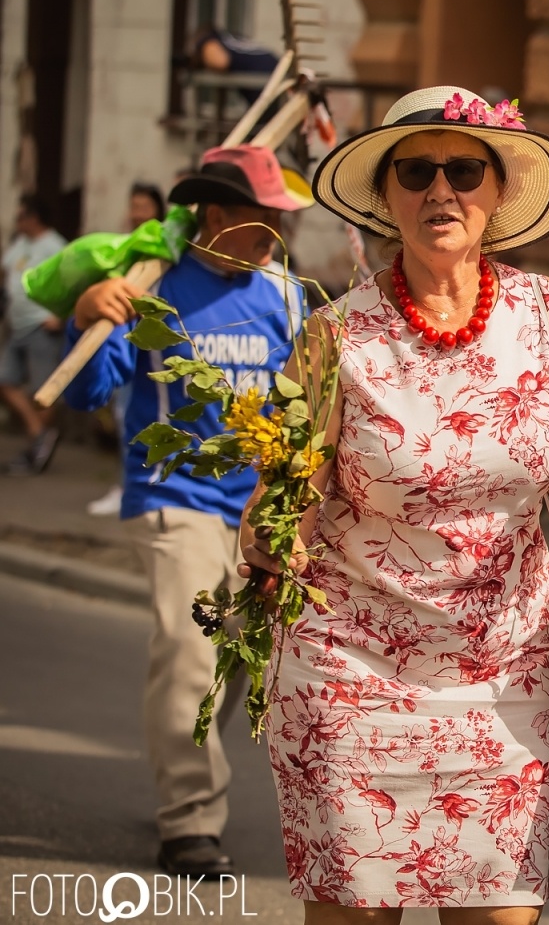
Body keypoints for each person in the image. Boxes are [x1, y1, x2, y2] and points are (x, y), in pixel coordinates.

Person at [238, 85, 549, 920]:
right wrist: (271, 537)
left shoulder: (542, 308)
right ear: (386, 196)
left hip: (508, 671)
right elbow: (283, 495)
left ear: (498, 189)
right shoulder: (336, 335)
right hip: (352, 674)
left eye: (464, 171)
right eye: (415, 172)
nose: (440, 190)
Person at [61, 145, 313, 879]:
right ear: (216, 216)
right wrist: (85, 318)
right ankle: (190, 821)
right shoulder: (156, 285)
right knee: (190, 650)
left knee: (236, 658)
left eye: (279, 220)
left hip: (260, 509)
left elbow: (310, 399)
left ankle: (186, 773)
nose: (275, 234)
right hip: (177, 498)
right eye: (262, 220)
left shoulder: (286, 293)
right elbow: (86, 393)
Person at [88, 181, 172, 515]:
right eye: (133, 206)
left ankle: (142, 487)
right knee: (123, 418)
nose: (137, 214)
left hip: (156, 353)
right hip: (126, 346)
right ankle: (126, 486)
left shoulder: (166, 255)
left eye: (144, 207)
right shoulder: (128, 249)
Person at [1, 194, 67, 474]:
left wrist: (60, 315)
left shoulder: (55, 246)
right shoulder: (20, 244)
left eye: (21, 216)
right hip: (18, 327)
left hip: (42, 326)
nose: (17, 221)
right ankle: (40, 435)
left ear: (34, 217)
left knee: (43, 391)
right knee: (5, 380)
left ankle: (37, 448)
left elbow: (72, 282)